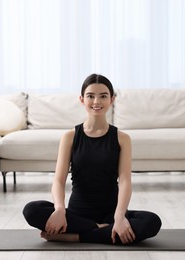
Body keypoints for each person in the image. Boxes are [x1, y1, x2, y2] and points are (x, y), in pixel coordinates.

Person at [23, 74, 161, 244]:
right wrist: (59, 209)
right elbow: (58, 181)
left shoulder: (122, 138)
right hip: (76, 215)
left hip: (111, 214)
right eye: (90, 96)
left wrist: (119, 216)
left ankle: (76, 236)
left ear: (112, 100)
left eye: (103, 96)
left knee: (152, 222)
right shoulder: (70, 137)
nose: (97, 101)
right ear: (82, 99)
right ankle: (100, 229)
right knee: (32, 210)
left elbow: (125, 181)